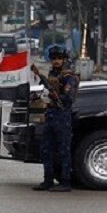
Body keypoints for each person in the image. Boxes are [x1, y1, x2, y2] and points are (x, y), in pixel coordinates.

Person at [31, 46, 79, 192]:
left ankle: (65, 181)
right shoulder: (52, 74)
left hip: (62, 116)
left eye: (59, 59)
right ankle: (48, 180)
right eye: (53, 59)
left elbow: (67, 98)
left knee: (63, 150)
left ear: (64, 60)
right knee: (46, 149)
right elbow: (45, 88)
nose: (56, 61)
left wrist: (53, 96)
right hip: (50, 115)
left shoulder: (69, 77)